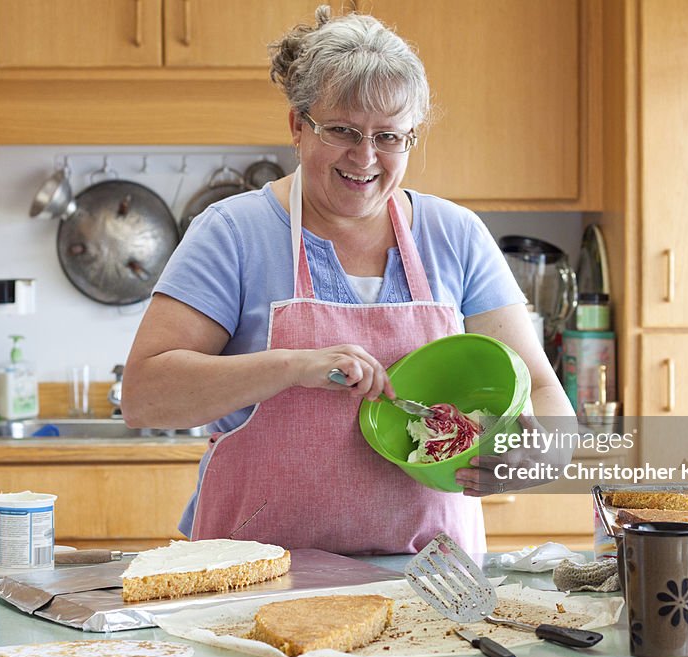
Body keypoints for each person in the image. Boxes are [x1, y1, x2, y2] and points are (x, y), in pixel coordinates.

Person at [122, 5, 574, 555]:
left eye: (389, 136)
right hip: (254, 577)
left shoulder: (455, 235)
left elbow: (546, 396)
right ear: (297, 125)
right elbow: (145, 399)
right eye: (342, 130)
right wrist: (292, 365)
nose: (365, 157)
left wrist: (538, 459)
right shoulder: (232, 234)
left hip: (429, 584)